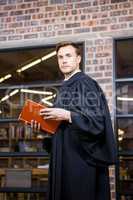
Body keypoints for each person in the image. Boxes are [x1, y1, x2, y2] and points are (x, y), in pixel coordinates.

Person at [31, 41, 117, 200]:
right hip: (64, 158)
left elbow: (97, 123)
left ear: (78, 59)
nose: (63, 60)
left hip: (80, 163)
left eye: (68, 56)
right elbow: (63, 128)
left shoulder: (85, 84)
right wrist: (43, 127)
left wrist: (67, 115)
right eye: (60, 57)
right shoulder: (64, 88)